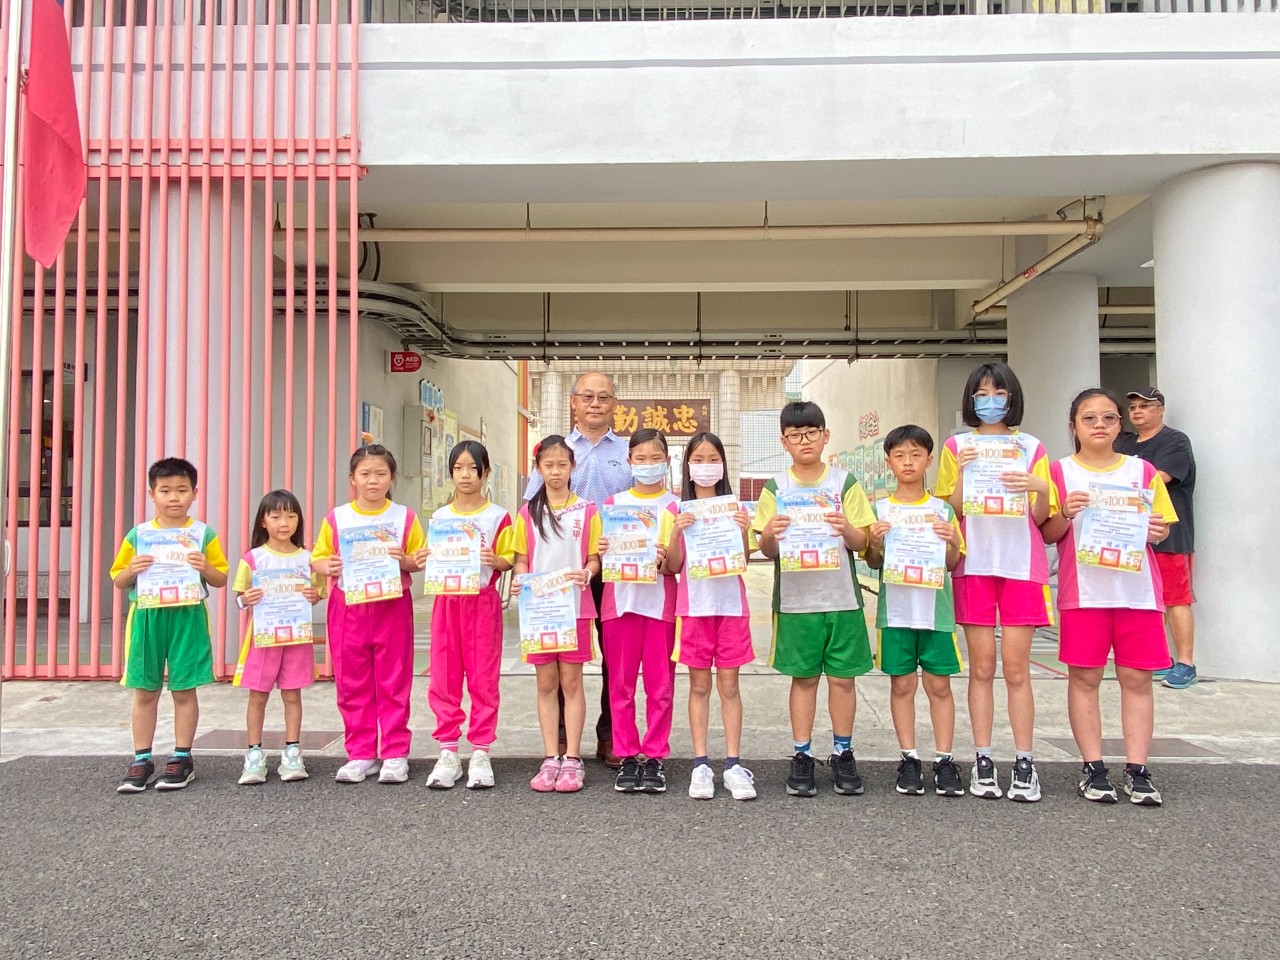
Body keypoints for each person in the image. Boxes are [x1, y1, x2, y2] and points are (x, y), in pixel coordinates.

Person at [1040, 388, 1177, 806]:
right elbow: (1047, 533)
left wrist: (1157, 532)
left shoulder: (1143, 471)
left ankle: (1137, 768)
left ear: (1120, 425)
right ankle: (1093, 767)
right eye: (1089, 418)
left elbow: (1162, 528)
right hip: (1084, 593)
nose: (1099, 425)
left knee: (1137, 679)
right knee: (1085, 678)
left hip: (1137, 592)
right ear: (1073, 425)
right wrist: (1066, 512)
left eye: (1109, 418)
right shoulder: (1059, 472)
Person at [935, 362, 1054, 802]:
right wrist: (963, 474)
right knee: (981, 667)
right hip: (975, 564)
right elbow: (951, 511)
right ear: (971, 400)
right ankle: (983, 758)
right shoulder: (956, 446)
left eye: (999, 393)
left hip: (1021, 565)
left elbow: (1041, 518)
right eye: (981, 394)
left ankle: (1024, 760)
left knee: (1017, 669)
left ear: (1012, 398)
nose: (990, 401)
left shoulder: (1031, 446)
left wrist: (1040, 487)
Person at [751, 402, 875, 798]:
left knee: (842, 679)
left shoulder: (844, 482)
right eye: (795, 435)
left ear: (825, 436)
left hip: (841, 598)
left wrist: (846, 529)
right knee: (803, 679)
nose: (804, 441)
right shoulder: (775, 488)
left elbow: (863, 541)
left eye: (811, 433)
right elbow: (766, 549)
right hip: (795, 601)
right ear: (783, 441)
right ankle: (802, 754)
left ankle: (843, 751)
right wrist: (770, 534)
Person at [524, 371, 633, 767]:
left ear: (614, 403)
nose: (595, 403)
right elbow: (531, 512)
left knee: (615, 655)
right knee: (557, 652)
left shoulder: (628, 452)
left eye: (604, 397)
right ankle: (560, 737)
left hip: (618, 567)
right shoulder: (555, 452)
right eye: (587, 396)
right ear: (573, 402)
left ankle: (611, 734)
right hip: (562, 575)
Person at [111, 457, 230, 793]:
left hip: (187, 615)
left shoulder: (203, 534)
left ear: (195, 493)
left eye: (181, 490)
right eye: (165, 490)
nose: (174, 497)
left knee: (184, 688)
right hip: (147, 615)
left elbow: (220, 578)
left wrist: (205, 567)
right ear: (152, 494)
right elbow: (119, 580)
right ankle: (142, 758)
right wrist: (132, 569)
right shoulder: (139, 535)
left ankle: (181, 756)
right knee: (145, 689)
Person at [312, 444, 425, 785]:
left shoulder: (405, 517)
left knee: (394, 679)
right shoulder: (336, 518)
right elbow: (318, 557)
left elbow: (419, 560)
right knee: (352, 681)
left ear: (392, 478)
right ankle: (360, 753)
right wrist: (328, 565)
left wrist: (404, 559)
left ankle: (394, 752)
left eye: (380, 474)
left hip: (392, 605)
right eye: (365, 474)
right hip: (349, 606)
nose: (372, 481)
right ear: (352, 479)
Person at [864, 426, 967, 798]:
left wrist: (951, 542)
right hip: (895, 613)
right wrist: (875, 542)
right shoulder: (880, 510)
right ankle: (908, 757)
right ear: (888, 462)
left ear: (929, 459)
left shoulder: (942, 510)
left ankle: (944, 759)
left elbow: (953, 562)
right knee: (902, 685)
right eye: (900, 456)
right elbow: (873, 561)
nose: (908, 462)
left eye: (916, 455)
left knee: (940, 686)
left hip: (935, 612)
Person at [417, 440, 515, 790]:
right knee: (444, 676)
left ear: (485, 472)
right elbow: (430, 557)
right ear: (450, 472)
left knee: (483, 678)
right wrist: (424, 559)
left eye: (473, 468)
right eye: (458, 468)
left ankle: (480, 751)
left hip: (481, 603)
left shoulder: (498, 516)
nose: (465, 475)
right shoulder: (440, 518)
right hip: (447, 602)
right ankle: (447, 751)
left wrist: (496, 560)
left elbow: (509, 560)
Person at [511, 435, 602, 793]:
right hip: (540, 611)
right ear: (538, 469)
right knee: (546, 684)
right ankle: (551, 756)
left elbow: (594, 559)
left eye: (562, 465)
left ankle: (573, 758)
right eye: (548, 465)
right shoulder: (527, 514)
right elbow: (521, 560)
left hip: (575, 609)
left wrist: (588, 573)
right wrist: (520, 581)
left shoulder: (587, 511)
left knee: (572, 683)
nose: (555, 472)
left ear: (572, 467)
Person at [671, 432, 757, 801]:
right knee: (699, 687)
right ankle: (701, 764)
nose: (706, 466)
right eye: (698, 459)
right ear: (687, 466)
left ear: (723, 465)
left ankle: (733, 764)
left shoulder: (734, 507)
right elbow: (672, 565)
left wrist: (743, 532)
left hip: (730, 607)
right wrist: (675, 532)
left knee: (730, 687)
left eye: (713, 459)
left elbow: (744, 561)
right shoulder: (678, 510)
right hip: (694, 609)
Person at [599, 428, 681, 794]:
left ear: (667, 461)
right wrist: (603, 549)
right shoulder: (612, 505)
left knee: (660, 687)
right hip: (620, 604)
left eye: (655, 458)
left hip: (661, 605)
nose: (648, 464)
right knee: (621, 685)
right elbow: (597, 555)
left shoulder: (676, 507)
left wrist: (666, 558)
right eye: (641, 458)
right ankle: (628, 755)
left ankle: (656, 755)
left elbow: (678, 564)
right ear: (629, 461)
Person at [231, 489, 323, 785]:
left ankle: (292, 751)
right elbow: (239, 598)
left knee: (292, 694)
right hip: (263, 639)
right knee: (257, 695)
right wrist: (246, 599)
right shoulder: (253, 558)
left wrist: (314, 596)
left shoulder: (308, 559)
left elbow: (318, 593)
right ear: (263, 521)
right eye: (276, 516)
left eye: (291, 516)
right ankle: (254, 754)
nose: (284, 523)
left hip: (296, 637)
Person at [1114, 387, 1198, 689]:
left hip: (1168, 536)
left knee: (1175, 599)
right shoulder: (1123, 442)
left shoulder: (1174, 441)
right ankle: (1159, 659)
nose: (1137, 411)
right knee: (1141, 601)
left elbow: (1159, 477)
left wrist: (1114, 480)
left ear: (1161, 409)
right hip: (1126, 535)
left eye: (1145, 406)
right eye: (1133, 407)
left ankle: (1186, 663)